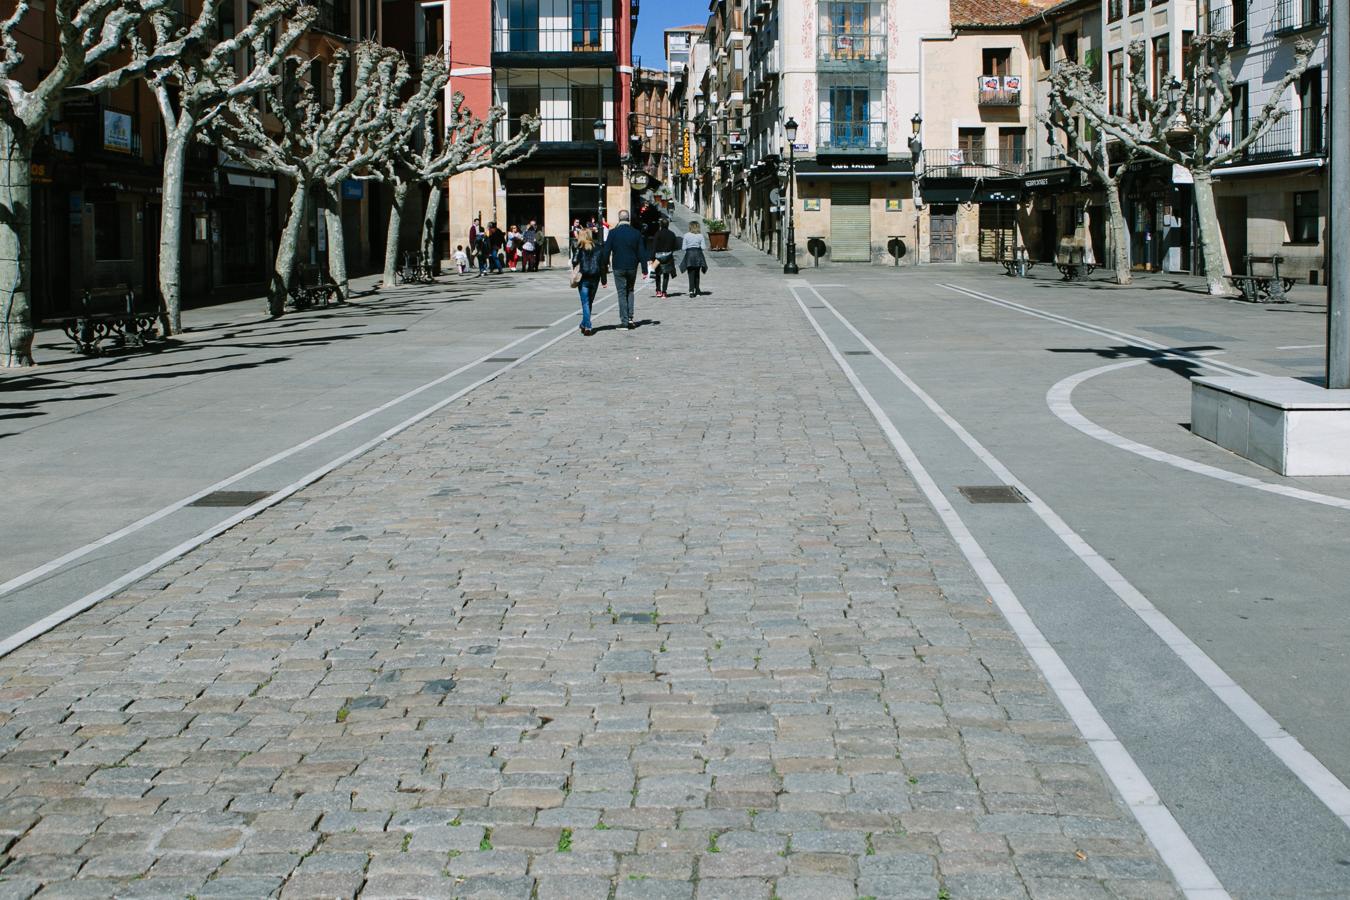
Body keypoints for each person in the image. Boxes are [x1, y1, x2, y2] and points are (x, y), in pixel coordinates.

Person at [600, 210, 649, 330]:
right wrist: (644, 270)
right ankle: (630, 318)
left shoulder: (613, 233)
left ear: (619, 219)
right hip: (632, 266)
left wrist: (604, 267)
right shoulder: (636, 233)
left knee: (622, 293)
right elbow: (642, 252)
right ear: (628, 219)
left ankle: (624, 321)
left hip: (618, 266)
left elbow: (606, 251)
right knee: (630, 291)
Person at [571, 227, 606, 336]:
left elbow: (574, 261)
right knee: (589, 302)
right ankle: (584, 324)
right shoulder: (599, 248)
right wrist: (604, 280)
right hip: (595, 278)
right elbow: (602, 265)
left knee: (586, 303)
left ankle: (587, 326)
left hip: (584, 278)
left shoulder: (579, 248)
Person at [651, 217, 680, 298]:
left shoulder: (658, 233)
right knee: (666, 274)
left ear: (660, 225)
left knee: (658, 274)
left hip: (658, 256)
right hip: (668, 256)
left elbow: (654, 246)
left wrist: (651, 258)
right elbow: (675, 246)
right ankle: (664, 292)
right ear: (668, 225)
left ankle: (658, 290)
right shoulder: (672, 234)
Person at [680, 221, 709, 297]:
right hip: (698, 255)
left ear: (690, 227)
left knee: (690, 274)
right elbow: (703, 247)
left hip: (689, 255)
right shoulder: (700, 236)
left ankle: (691, 291)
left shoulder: (686, 235)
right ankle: (698, 290)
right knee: (697, 274)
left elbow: (683, 248)